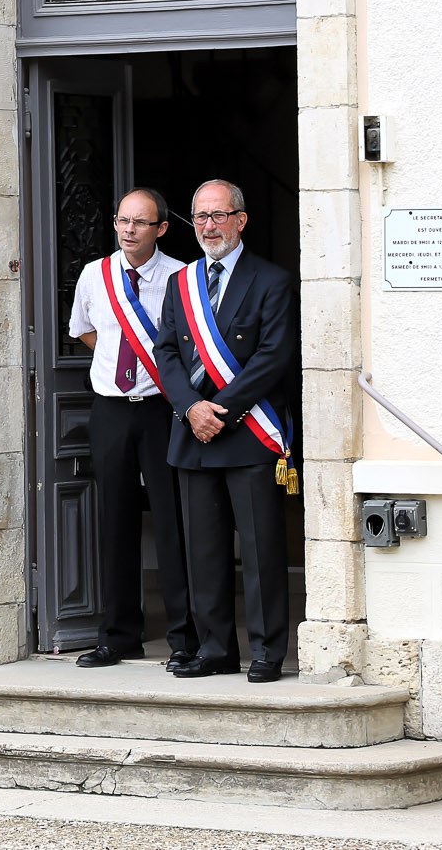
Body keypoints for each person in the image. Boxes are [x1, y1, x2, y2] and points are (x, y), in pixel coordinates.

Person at [153, 179, 299, 684]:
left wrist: (222, 409)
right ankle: (215, 648)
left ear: (241, 219)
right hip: (194, 434)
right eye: (201, 218)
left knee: (260, 551)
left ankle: (266, 650)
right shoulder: (182, 282)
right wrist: (192, 408)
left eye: (218, 216)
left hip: (247, 433)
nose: (209, 226)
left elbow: (274, 356)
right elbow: (165, 353)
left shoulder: (272, 280)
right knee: (205, 551)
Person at [65, 188, 200, 669]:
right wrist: (118, 360)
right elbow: (82, 329)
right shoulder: (93, 275)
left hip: (163, 410)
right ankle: (119, 635)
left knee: (173, 521)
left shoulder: (183, 276)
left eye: (140, 223)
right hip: (111, 408)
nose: (128, 230)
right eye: (122, 220)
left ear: (161, 229)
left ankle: (186, 637)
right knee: (115, 522)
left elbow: (193, 344)